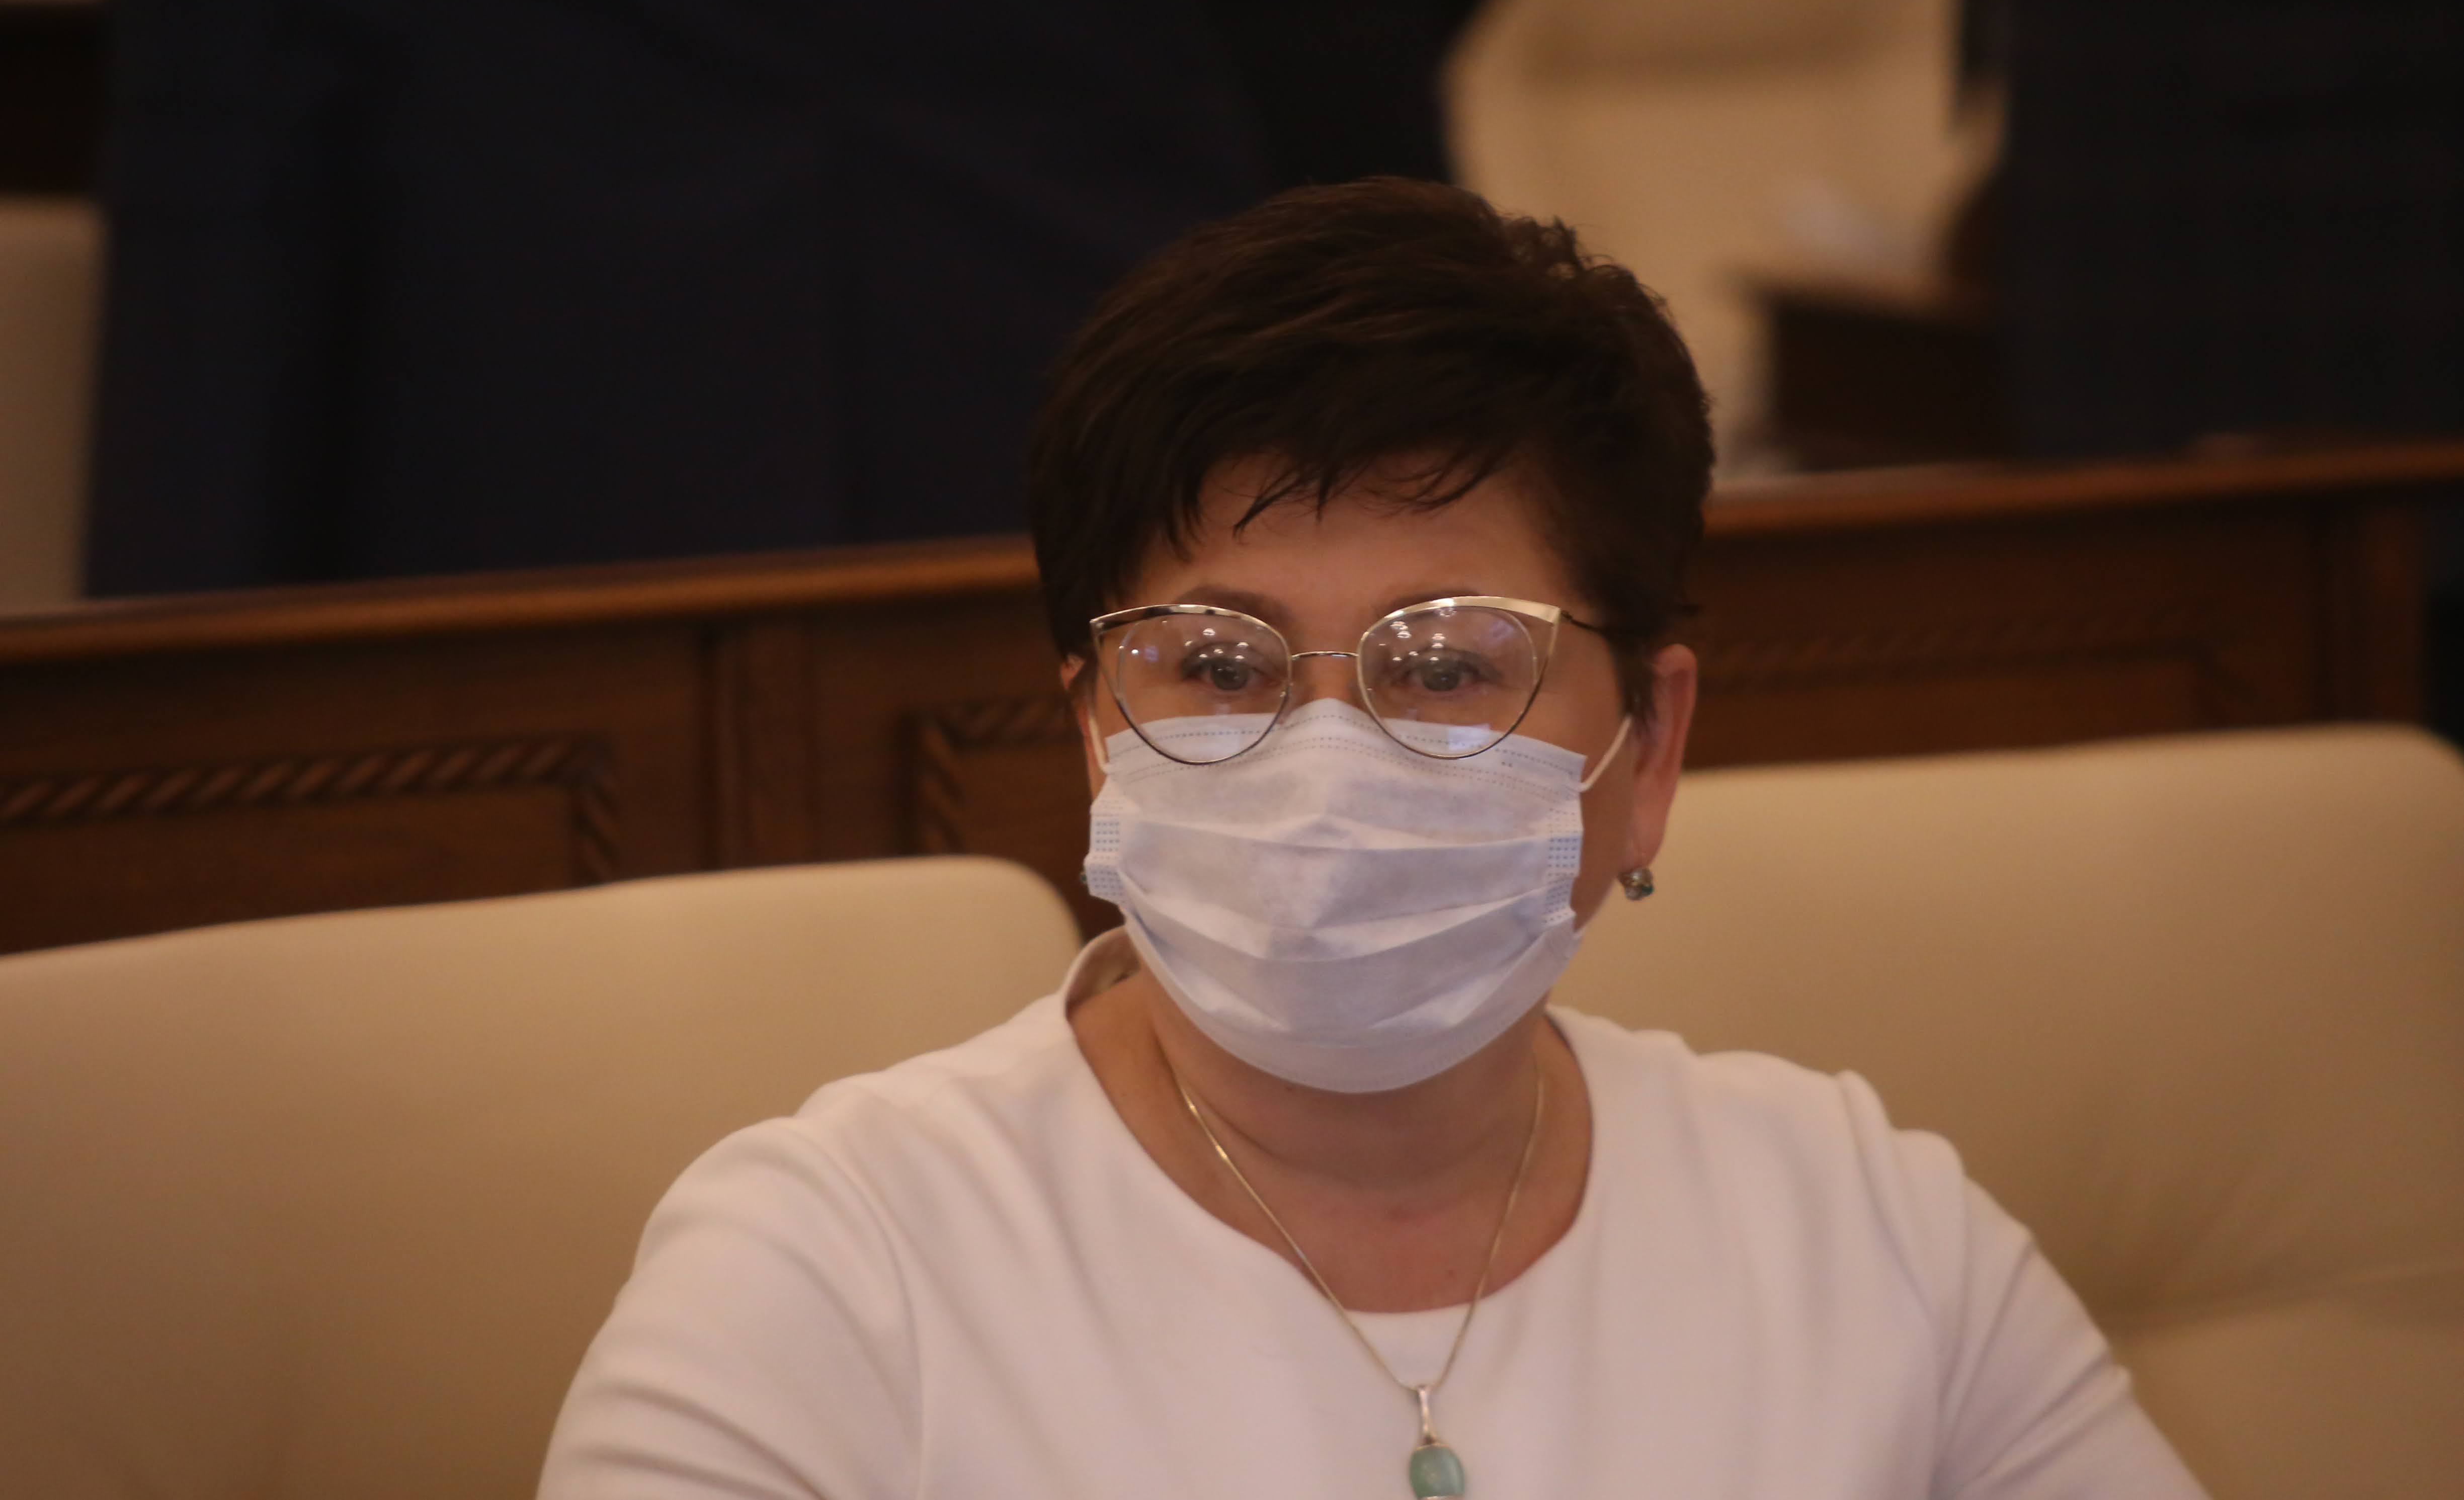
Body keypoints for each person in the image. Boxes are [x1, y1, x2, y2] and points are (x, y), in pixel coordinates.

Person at [539, 180, 2208, 1497]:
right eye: (1216, 666)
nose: (1326, 752)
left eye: (1449, 663)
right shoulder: (827, 1268)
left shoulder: (1862, 1224)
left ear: (1648, 749)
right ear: (1094, 731)